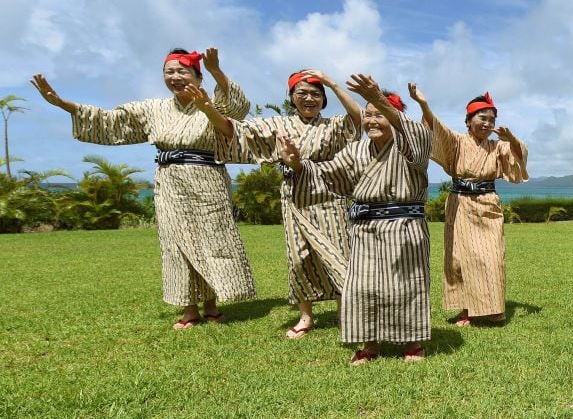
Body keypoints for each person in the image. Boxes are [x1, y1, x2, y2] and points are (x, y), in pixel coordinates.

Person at [30, 48, 256, 330]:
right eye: (169, 72)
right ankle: (189, 310)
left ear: (198, 77)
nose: (175, 77)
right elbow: (112, 121)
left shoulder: (212, 103)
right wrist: (64, 105)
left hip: (207, 179)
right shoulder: (153, 109)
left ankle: (212, 305)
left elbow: (239, 108)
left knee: (212, 239)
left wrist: (217, 71)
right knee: (176, 244)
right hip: (170, 182)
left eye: (182, 71)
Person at [190, 70, 363, 338]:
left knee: (341, 255)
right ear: (292, 97)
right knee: (299, 257)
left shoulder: (333, 125)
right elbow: (234, 131)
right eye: (302, 93)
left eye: (316, 94)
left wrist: (332, 83)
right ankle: (306, 316)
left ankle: (345, 311)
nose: (309, 98)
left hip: (330, 194)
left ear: (324, 99)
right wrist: (207, 108)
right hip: (294, 195)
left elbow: (358, 118)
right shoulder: (277, 126)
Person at [279, 73, 432, 364]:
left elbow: (415, 131)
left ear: (395, 116)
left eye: (380, 114)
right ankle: (369, 343)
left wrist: (376, 96)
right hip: (363, 229)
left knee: (407, 284)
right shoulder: (356, 149)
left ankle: (412, 341)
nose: (371, 120)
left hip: (404, 227)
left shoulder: (412, 142)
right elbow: (328, 174)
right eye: (368, 115)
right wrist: (297, 163)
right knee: (362, 286)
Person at [409, 86, 528, 326]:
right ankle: (466, 310)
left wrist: (511, 138)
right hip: (459, 203)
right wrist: (423, 104)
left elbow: (519, 157)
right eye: (482, 118)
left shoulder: (498, 146)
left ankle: (493, 309)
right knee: (458, 258)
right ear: (469, 119)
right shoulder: (457, 141)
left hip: (487, 205)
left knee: (491, 257)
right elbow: (436, 131)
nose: (487, 123)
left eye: (491, 120)